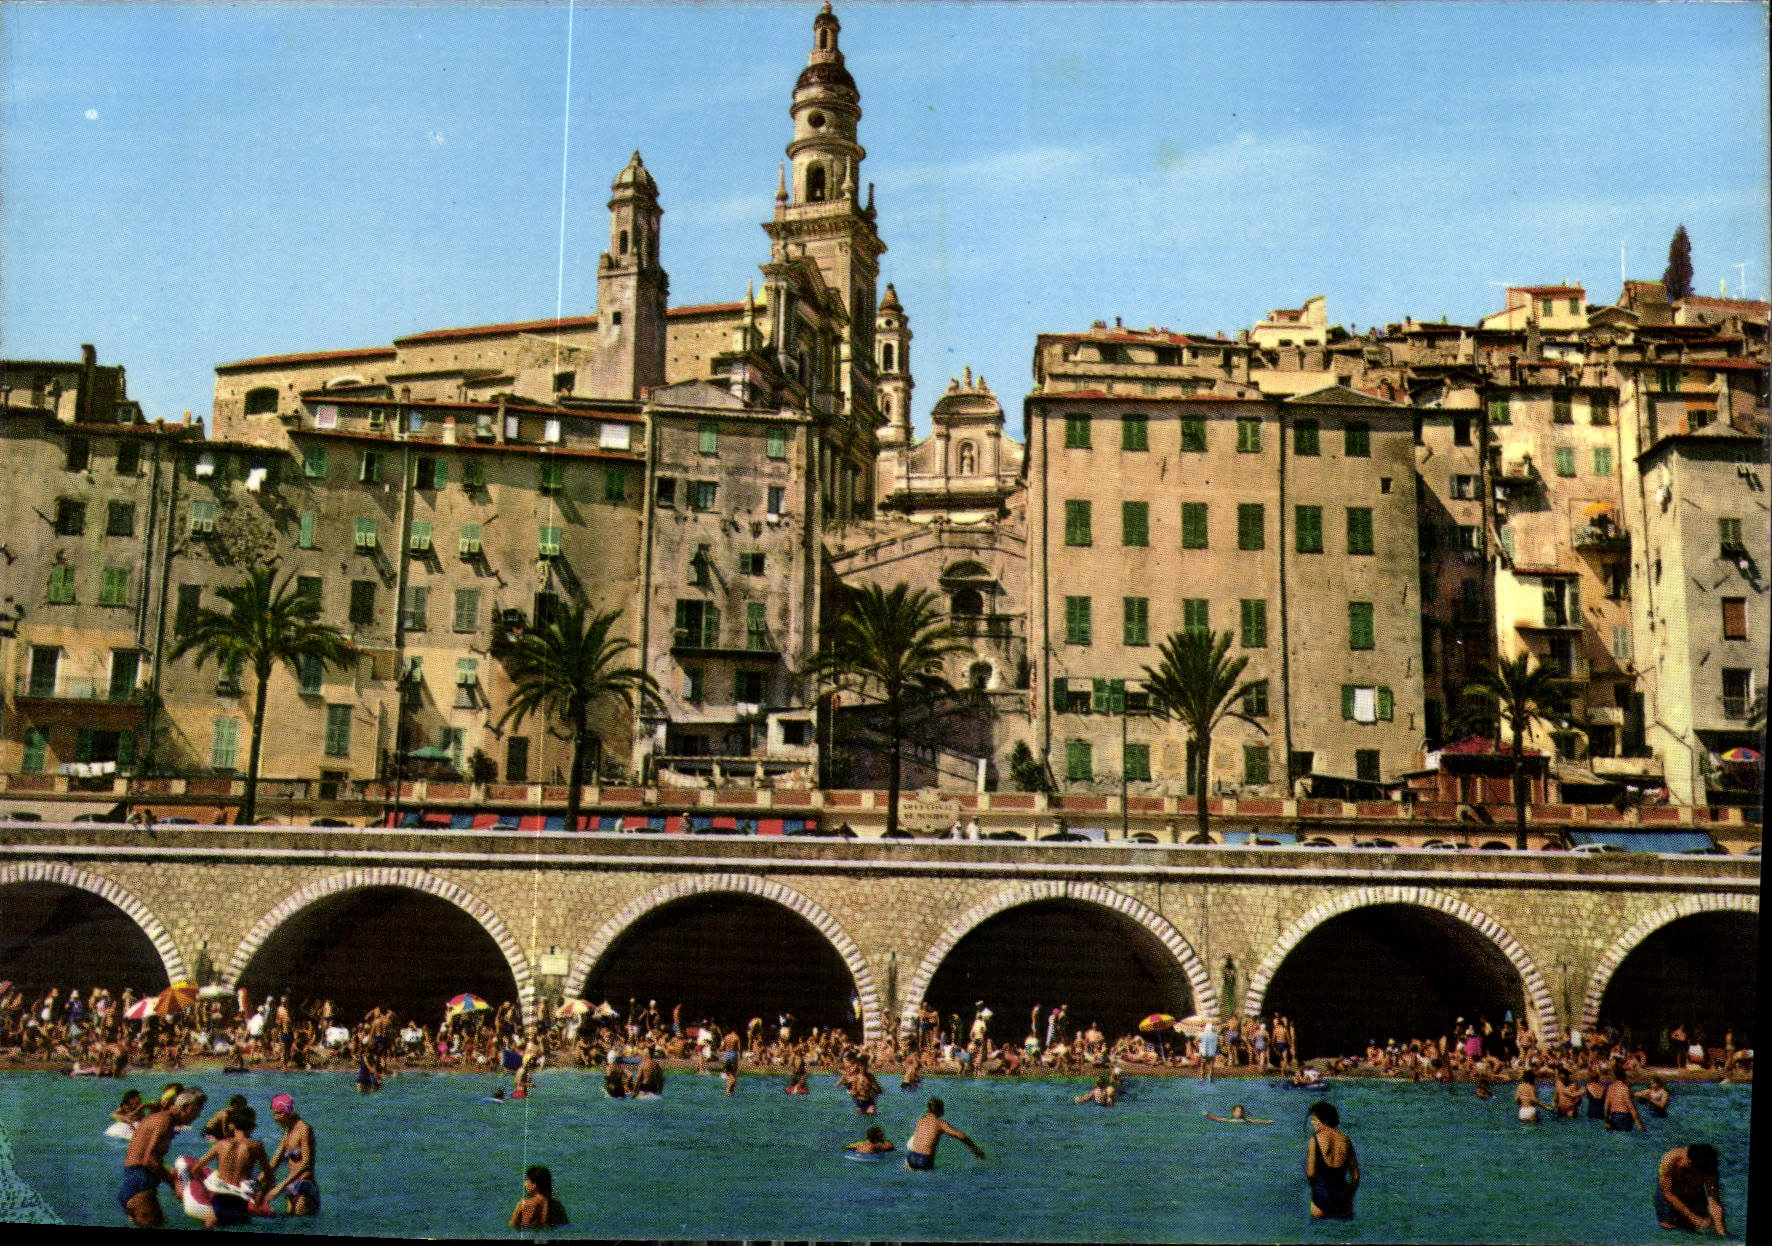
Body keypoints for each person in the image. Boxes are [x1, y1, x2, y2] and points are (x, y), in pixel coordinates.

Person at [120, 1086, 206, 1226]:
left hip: (135, 1183)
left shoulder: (158, 1118)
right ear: (185, 1107)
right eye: (197, 1109)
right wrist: (175, 1184)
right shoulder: (165, 1122)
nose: (198, 1115)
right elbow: (149, 1160)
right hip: (141, 1185)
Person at [190, 1104, 272, 1228]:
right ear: (251, 1128)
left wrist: (204, 1189)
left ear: (231, 1126)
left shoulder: (221, 1144)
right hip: (240, 1201)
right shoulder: (256, 1146)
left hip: (219, 1200)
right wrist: (260, 1195)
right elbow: (270, 1177)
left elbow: (196, 1169)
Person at [264, 1093, 319, 1215]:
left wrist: (280, 1187)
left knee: (300, 1225)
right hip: (291, 1188)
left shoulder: (304, 1129)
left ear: (288, 1111)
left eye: (279, 1113)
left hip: (305, 1189)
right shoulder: (288, 1132)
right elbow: (274, 1163)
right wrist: (256, 1183)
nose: (276, 1118)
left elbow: (306, 1163)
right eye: (274, 1113)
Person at [1304, 1101, 1358, 1220]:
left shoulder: (1315, 1139)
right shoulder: (1346, 1141)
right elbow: (1355, 1176)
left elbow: (1310, 1173)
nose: (1312, 1124)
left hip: (1321, 1196)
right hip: (1343, 1198)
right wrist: (1349, 1196)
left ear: (1324, 1120)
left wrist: (1316, 1190)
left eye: (1314, 1120)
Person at [1656, 1144, 1725, 1235]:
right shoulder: (1669, 1161)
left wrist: (1720, 1230)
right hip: (1670, 1191)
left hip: (1694, 1190)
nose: (1703, 1178)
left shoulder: (1710, 1168)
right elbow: (1668, 1194)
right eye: (1701, 1175)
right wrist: (1693, 1218)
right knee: (1669, 1226)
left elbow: (1714, 1202)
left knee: (1705, 1228)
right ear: (1689, 1164)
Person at [904, 1097, 985, 1171]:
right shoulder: (940, 1124)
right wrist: (975, 1149)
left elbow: (914, 1141)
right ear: (941, 1110)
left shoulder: (920, 1121)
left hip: (911, 1157)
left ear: (928, 1109)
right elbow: (961, 1136)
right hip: (924, 1159)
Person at [509, 1165, 569, 1229]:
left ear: (534, 1184)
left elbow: (512, 1226)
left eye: (526, 1180)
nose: (525, 1184)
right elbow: (566, 1225)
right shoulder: (557, 1205)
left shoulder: (524, 1204)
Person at [1603, 1065, 1644, 1132]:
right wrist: (1639, 1125)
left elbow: (1606, 1106)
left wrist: (1607, 1121)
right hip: (1624, 1117)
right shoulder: (1625, 1088)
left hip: (1614, 1117)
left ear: (1615, 1076)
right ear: (1624, 1076)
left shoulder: (1610, 1087)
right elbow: (1631, 1107)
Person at [1198, 1018, 1219, 1082]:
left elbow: (1195, 1041)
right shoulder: (1215, 1035)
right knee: (1211, 1066)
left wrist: (1199, 1046)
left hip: (1204, 1053)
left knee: (1203, 1066)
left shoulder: (1201, 1034)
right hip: (1212, 1053)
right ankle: (1210, 1078)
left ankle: (1202, 1079)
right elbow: (1218, 1043)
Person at [1205, 1105, 1273, 1124]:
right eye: (1237, 1111)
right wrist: (1208, 1115)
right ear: (1233, 1112)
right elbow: (1217, 1119)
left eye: (1240, 1111)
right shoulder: (1229, 1119)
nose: (1239, 1113)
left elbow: (1256, 1121)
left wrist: (1267, 1121)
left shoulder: (1245, 1119)